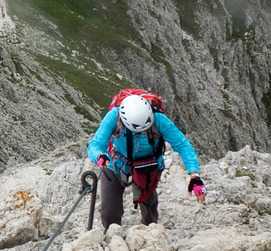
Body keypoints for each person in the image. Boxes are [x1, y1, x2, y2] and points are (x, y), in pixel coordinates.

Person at [88, 92, 206, 230]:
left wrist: (194, 175)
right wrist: (99, 156)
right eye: (139, 131)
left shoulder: (159, 119)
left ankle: (150, 233)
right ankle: (112, 235)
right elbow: (95, 145)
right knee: (109, 211)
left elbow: (183, 145)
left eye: (146, 129)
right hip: (116, 164)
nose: (144, 133)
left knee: (149, 208)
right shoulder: (114, 117)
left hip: (148, 166)